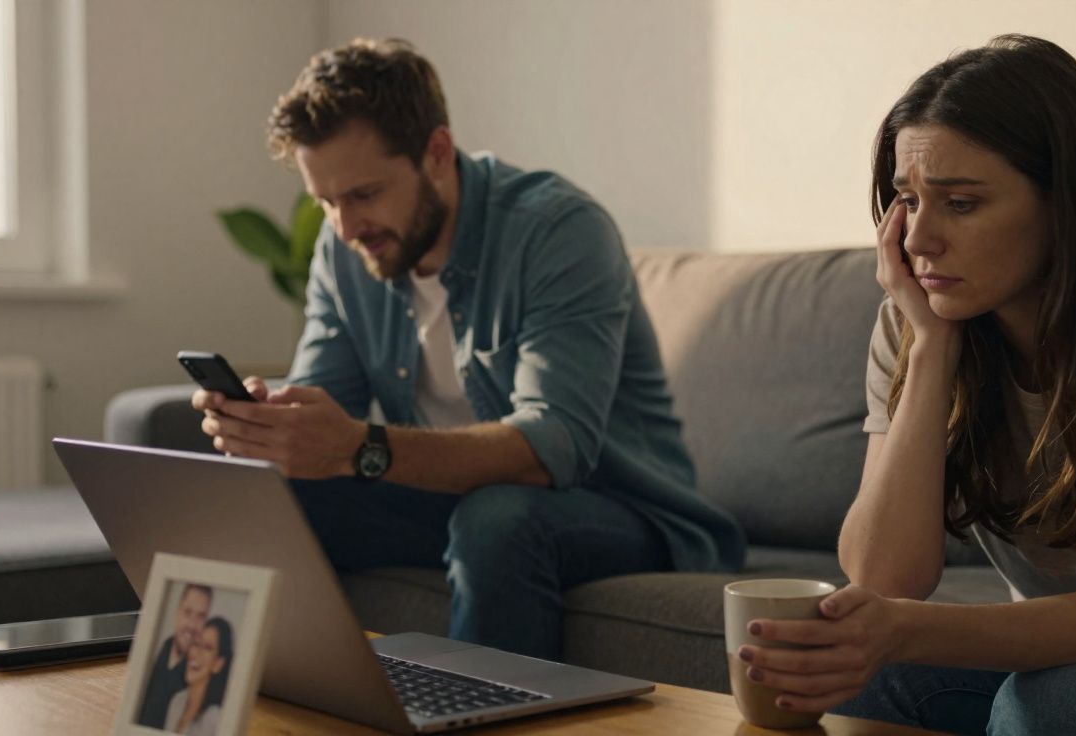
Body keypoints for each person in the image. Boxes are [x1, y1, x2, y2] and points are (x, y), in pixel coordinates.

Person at [734, 35, 1076, 735]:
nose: (917, 240)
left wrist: (902, 630)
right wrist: (934, 347)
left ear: (1068, 202)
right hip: (1072, 660)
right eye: (908, 200)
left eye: (962, 203)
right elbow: (884, 578)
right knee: (851, 669)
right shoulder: (919, 316)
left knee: (1064, 705)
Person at [191, 38, 744, 661]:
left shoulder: (559, 231)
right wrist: (272, 428)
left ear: (436, 153)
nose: (345, 227)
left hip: (618, 507)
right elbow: (325, 406)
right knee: (263, 495)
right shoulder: (344, 250)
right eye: (327, 201)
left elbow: (549, 446)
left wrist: (359, 447)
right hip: (452, 501)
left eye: (365, 195)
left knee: (498, 519)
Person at [138, 584, 212, 729]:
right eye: (187, 612)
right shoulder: (156, 651)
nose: (192, 624)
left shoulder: (198, 678)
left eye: (200, 616)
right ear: (177, 612)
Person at [164, 617, 233, 736]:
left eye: (207, 647)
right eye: (196, 644)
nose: (197, 653)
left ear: (218, 663)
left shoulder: (216, 717)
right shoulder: (177, 700)